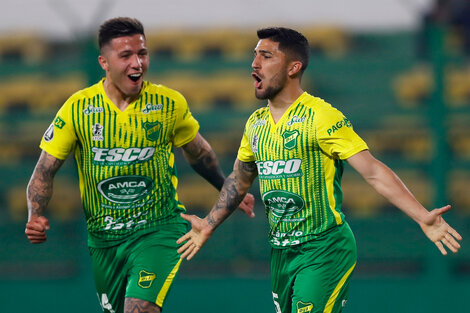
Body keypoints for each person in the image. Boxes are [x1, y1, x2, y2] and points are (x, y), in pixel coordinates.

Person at [177, 27, 463, 313]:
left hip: (324, 249)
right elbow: (240, 178)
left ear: (293, 67)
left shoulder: (321, 116)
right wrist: (209, 224)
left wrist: (422, 216)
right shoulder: (256, 123)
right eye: (255, 56)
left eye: (265, 56)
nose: (254, 64)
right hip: (281, 253)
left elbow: (373, 171)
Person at [24, 17, 254, 313]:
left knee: (140, 308)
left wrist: (227, 189)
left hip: (158, 230)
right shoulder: (78, 108)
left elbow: (199, 151)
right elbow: (44, 169)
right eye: (126, 56)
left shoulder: (168, 104)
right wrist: (36, 214)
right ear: (104, 62)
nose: (137, 63)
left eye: (142, 54)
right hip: (104, 240)